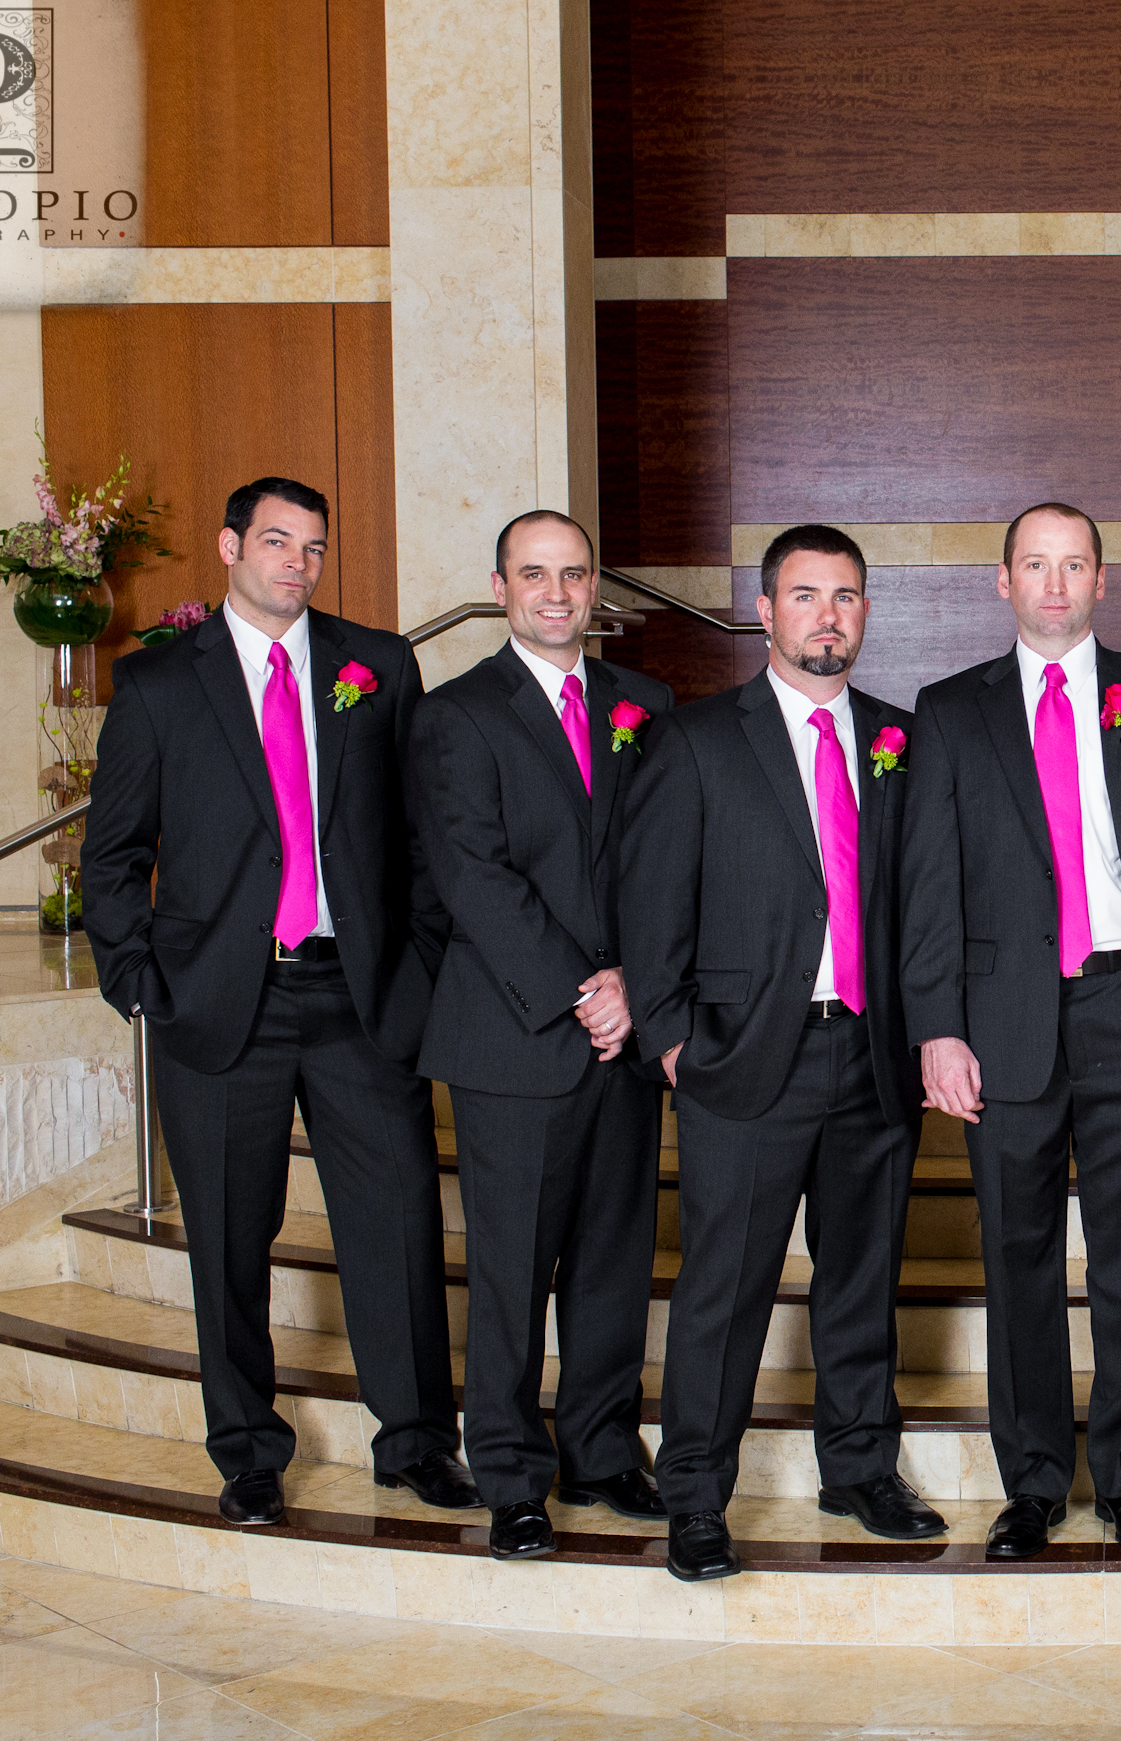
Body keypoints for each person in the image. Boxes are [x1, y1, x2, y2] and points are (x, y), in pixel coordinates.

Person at [83, 475, 474, 1527]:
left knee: (397, 1225)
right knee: (227, 1238)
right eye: (275, 542)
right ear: (229, 547)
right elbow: (112, 857)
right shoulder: (158, 684)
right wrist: (140, 986)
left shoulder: (377, 665)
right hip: (219, 1006)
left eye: (312, 547)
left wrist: (418, 967)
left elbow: (423, 834)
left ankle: (416, 1442)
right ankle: (248, 1450)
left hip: (360, 999)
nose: (296, 563)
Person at [900, 503, 1121, 1560]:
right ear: (1002, 581)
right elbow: (928, 884)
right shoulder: (950, 710)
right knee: (1019, 1254)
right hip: (1002, 1020)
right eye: (1035, 565)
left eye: (1073, 564)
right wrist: (938, 1027)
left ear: (1101, 578)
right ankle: (1035, 1484)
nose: (1054, 583)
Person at [625, 525, 941, 1584]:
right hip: (743, 1059)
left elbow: (924, 903)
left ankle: (858, 1468)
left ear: (865, 612)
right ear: (765, 610)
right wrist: (674, 1042)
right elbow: (650, 904)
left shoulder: (902, 741)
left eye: (845, 596)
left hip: (871, 1056)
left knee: (862, 1278)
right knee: (724, 1289)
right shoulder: (697, 739)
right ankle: (694, 1497)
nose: (827, 616)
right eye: (805, 595)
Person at [411, 509, 671, 1561]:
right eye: (534, 574)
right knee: (513, 1268)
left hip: (626, 1030)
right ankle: (513, 1475)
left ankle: (602, 1450)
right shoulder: (456, 716)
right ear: (500, 587)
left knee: (614, 1258)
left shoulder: (645, 703)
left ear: (594, 584)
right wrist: (580, 988)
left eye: (572, 574)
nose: (556, 593)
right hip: (517, 1037)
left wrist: (637, 984)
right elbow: (472, 876)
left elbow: (667, 859)